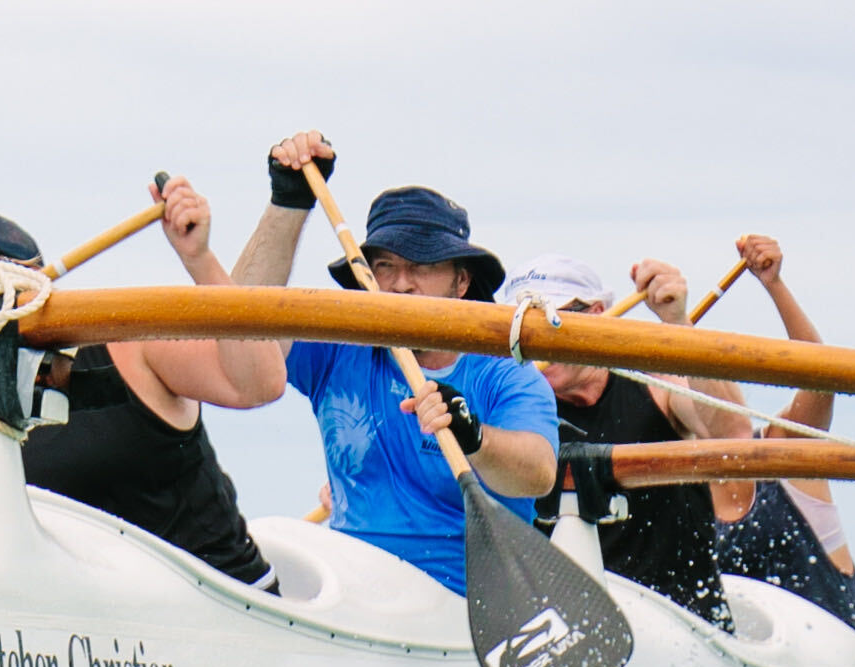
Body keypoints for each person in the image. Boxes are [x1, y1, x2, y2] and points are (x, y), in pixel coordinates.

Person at [156, 134, 557, 594]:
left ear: (462, 281)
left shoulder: (505, 373)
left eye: (422, 265)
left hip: (467, 599)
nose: (401, 283)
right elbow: (241, 325)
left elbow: (539, 474)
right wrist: (287, 204)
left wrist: (474, 436)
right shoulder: (340, 349)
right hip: (356, 589)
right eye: (384, 265)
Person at [0, 191, 275, 586]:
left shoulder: (129, 346)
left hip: (226, 606)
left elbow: (259, 384)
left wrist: (198, 259)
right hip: (97, 628)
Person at [509, 259, 742, 623]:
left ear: (599, 315)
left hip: (683, 625)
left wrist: (678, 323)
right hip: (571, 628)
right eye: (522, 327)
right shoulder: (513, 411)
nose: (534, 341)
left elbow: (732, 436)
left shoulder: (658, 386)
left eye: (549, 321)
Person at [693, 231, 855, 644]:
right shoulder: (674, 481)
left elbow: (820, 375)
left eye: (715, 382)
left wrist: (774, 285)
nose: (709, 396)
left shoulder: (783, 448)